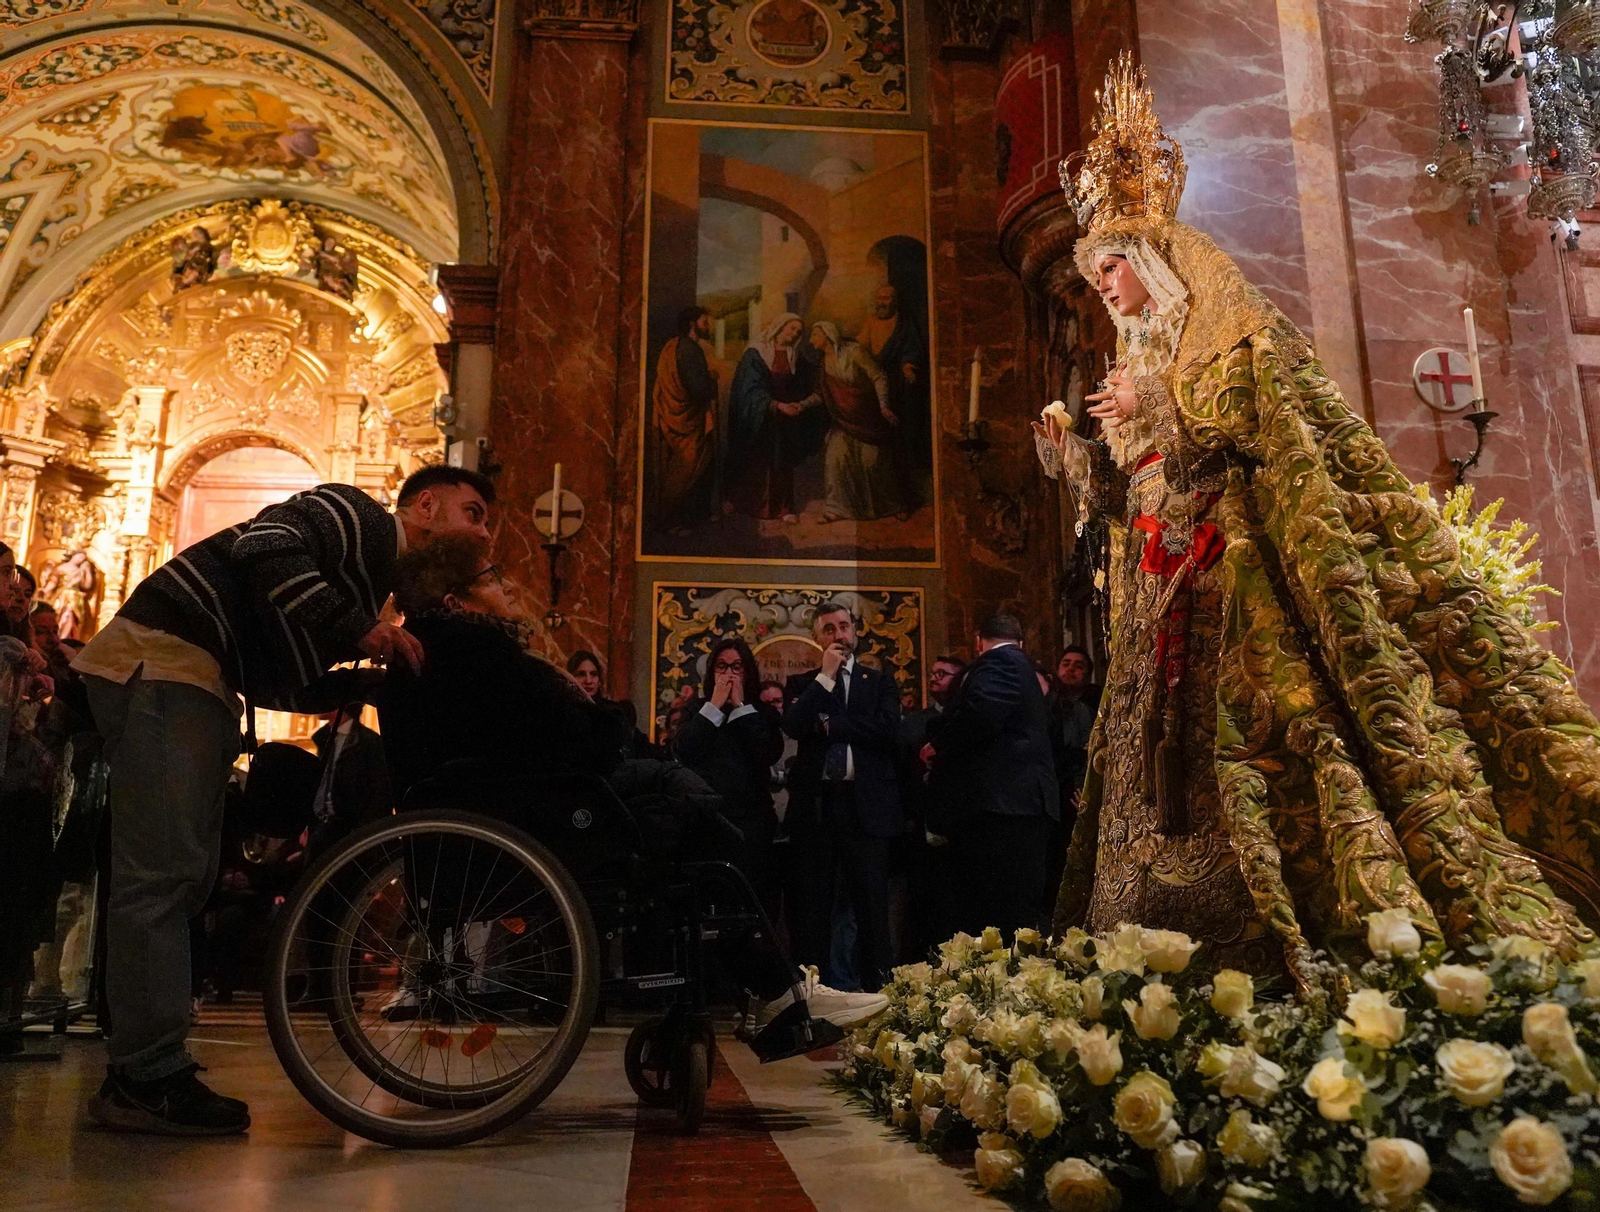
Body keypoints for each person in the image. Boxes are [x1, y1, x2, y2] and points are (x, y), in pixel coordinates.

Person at [1035, 56, 1600, 995]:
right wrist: (1079, 461)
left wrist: (1164, 405)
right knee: (1146, 757)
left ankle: (1247, 934)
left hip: (1227, 588)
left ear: (1156, 262)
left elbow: (1250, 434)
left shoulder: (1224, 337)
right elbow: (1133, 497)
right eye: (1093, 275)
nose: (1103, 287)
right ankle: (1142, 926)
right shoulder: (1133, 364)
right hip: (1150, 598)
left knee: (1239, 751)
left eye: (1112, 268)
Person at [70, 465, 493, 1135]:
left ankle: (148, 1067)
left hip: (197, 679)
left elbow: (269, 676)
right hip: (164, 663)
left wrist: (350, 685)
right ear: (424, 506)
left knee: (180, 880)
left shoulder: (367, 586)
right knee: (161, 881)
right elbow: (263, 545)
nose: (483, 534)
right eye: (473, 513)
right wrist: (362, 631)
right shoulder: (356, 516)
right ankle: (143, 1078)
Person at [386, 537, 886, 1030]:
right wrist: (613, 731)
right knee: (702, 834)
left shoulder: (447, 653)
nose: (511, 586)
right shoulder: (483, 655)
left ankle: (772, 987)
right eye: (492, 578)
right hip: (547, 813)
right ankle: (776, 990)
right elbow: (579, 736)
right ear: (455, 600)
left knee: (700, 826)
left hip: (524, 805)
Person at [782, 601, 903, 991]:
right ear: (818, 638)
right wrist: (825, 679)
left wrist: (832, 725)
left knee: (870, 908)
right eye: (829, 629)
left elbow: (886, 731)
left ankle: (879, 993)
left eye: (844, 626)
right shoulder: (803, 685)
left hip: (865, 808)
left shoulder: (879, 682)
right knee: (813, 909)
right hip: (818, 809)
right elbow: (797, 726)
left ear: (855, 631)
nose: (839, 635)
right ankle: (812, 995)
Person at [924, 615, 1058, 936]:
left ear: (978, 640)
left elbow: (981, 716)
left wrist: (938, 746)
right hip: (1017, 805)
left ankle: (1001, 979)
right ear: (1020, 640)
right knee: (1011, 908)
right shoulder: (1022, 664)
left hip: (1003, 807)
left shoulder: (1000, 662)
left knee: (998, 909)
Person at [671, 637, 785, 920]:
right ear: (712, 672)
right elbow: (685, 751)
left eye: (737, 666)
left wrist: (740, 707)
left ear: (747, 672)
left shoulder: (764, 713)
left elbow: (766, 753)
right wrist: (715, 706)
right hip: (709, 825)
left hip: (752, 825)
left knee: (753, 908)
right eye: (722, 666)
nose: (730, 674)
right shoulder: (696, 710)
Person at [897, 654, 965, 961]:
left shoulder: (965, 720)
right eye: (933, 673)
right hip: (919, 822)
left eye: (944, 673)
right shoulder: (913, 724)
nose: (935, 678)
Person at [808, 322, 907, 523]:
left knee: (873, 462)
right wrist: (801, 405)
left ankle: (893, 505)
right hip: (843, 420)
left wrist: (884, 405)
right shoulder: (822, 363)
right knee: (835, 459)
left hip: (868, 416)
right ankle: (836, 508)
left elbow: (878, 376)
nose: (811, 340)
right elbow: (822, 394)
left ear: (827, 335)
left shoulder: (854, 352)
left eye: (814, 335)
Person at [727, 312, 815, 522]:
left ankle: (784, 508)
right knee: (759, 461)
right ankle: (753, 506)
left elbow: (804, 383)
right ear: (780, 326)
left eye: (798, 332)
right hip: (762, 417)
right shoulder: (755, 353)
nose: (794, 334)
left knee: (782, 462)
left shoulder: (795, 355)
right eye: (791, 328)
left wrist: (798, 403)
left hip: (785, 420)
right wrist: (775, 405)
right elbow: (750, 389)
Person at [857, 284, 928, 505]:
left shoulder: (904, 324)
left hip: (897, 385)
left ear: (895, 301)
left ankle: (902, 495)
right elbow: (861, 348)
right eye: (879, 298)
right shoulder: (870, 321)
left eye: (886, 298)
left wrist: (908, 365)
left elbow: (912, 349)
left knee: (899, 439)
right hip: (875, 383)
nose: (882, 302)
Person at [650, 306, 719, 531]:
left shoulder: (672, 346)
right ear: (692, 323)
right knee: (690, 467)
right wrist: (712, 381)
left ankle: (679, 520)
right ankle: (681, 521)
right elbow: (700, 390)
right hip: (689, 420)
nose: (708, 325)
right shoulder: (690, 350)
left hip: (673, 416)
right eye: (704, 321)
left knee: (680, 467)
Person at [566, 648, 655, 760]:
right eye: (581, 674)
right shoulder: (564, 712)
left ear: (599, 681)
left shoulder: (614, 712)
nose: (588, 680)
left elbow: (639, 746)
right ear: (571, 679)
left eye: (593, 674)